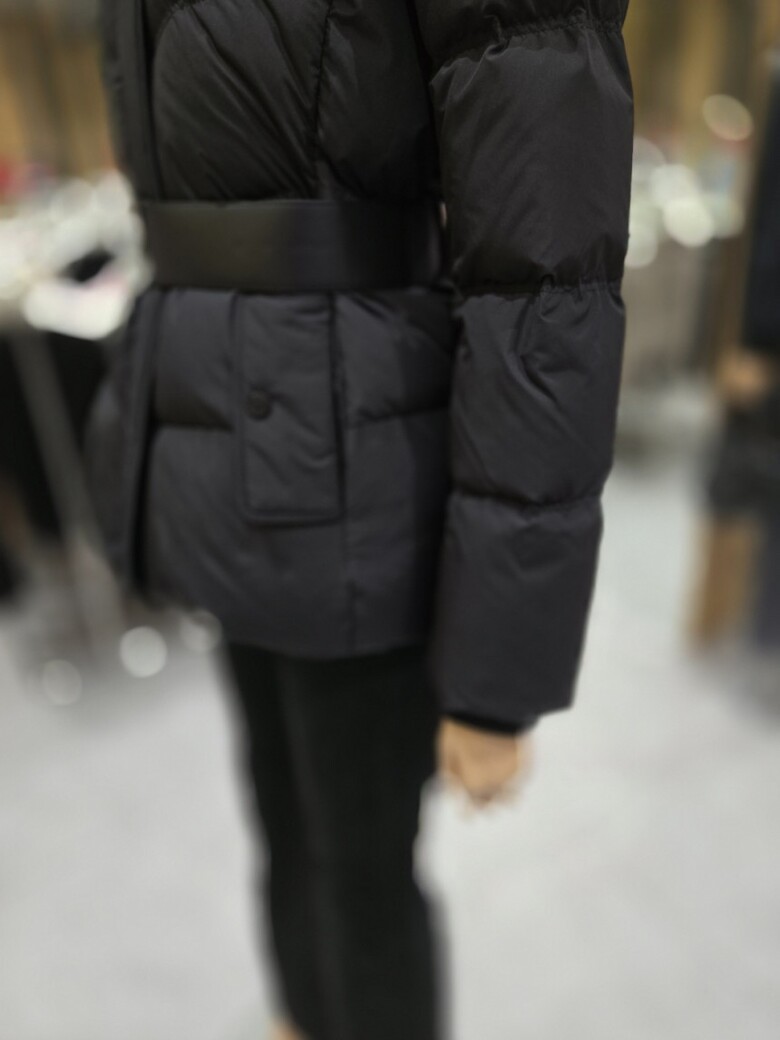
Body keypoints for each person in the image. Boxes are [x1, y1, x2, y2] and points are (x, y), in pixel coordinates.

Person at [87, 2, 634, 1038]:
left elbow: (545, 277)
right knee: (282, 819)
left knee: (363, 874)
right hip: (210, 419)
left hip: (356, 460)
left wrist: (502, 661)